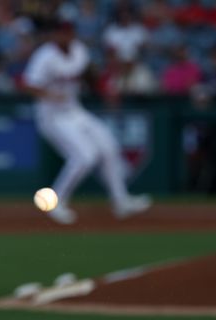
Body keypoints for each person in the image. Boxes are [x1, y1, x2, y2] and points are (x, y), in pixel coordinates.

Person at [21, 20, 152, 224]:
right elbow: (27, 84)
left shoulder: (79, 50)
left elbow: (89, 74)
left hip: (74, 111)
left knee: (108, 145)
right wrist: (49, 94)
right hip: (52, 117)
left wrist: (105, 90)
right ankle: (55, 203)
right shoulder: (45, 56)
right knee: (85, 157)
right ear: (54, 35)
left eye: (68, 33)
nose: (64, 37)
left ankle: (121, 202)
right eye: (60, 33)